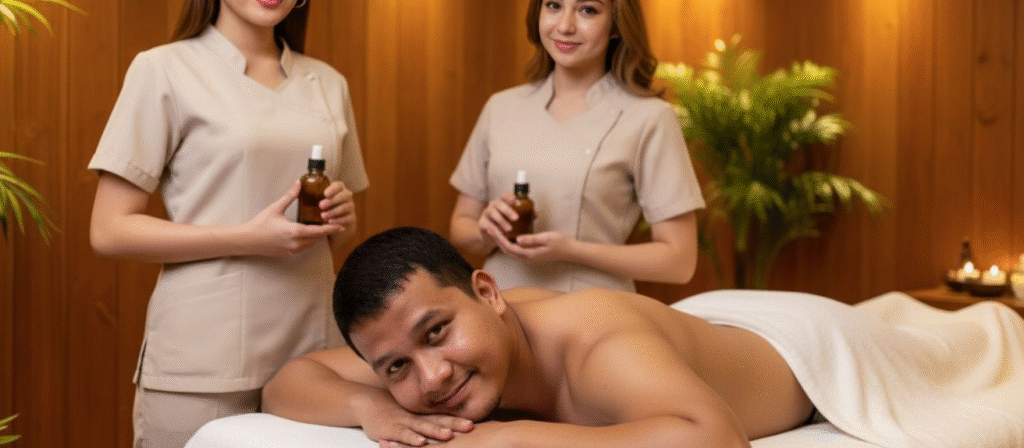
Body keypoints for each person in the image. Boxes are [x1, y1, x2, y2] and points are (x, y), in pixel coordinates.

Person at [89, 0, 368, 448]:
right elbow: (109, 230)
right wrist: (247, 236)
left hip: (314, 355)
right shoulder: (163, 71)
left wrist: (342, 213)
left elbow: (340, 230)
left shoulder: (328, 84)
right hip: (202, 362)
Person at [262, 227, 814, 448]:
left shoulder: (596, 345)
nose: (432, 376)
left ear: (489, 291)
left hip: (798, 344)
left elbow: (717, 438)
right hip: (693, 326)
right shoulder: (410, 351)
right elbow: (287, 384)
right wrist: (368, 407)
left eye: (436, 333)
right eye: (395, 368)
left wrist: (513, 439)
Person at [448, 0, 704, 293]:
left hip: (592, 314)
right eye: (553, 5)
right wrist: (485, 230)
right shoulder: (501, 107)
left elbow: (679, 262)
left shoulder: (650, 118)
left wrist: (573, 251)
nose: (565, 26)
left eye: (587, 11)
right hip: (499, 308)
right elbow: (461, 227)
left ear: (616, 23)